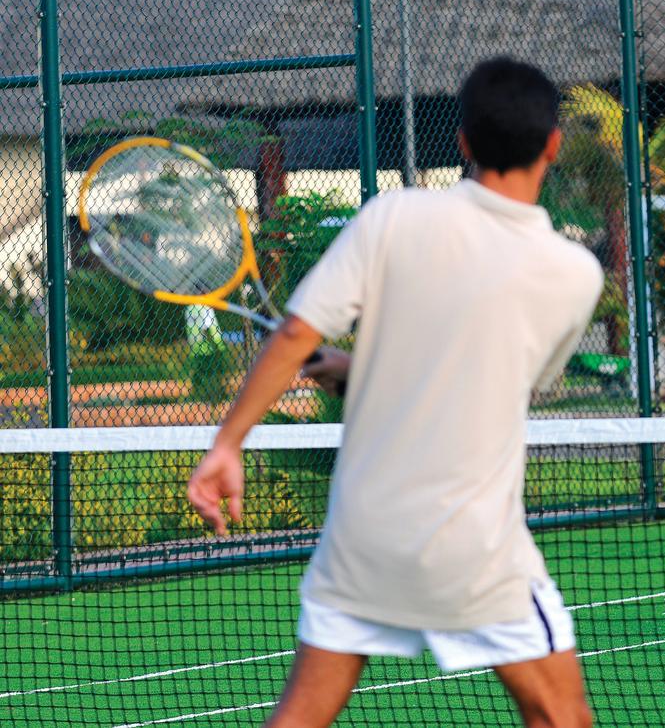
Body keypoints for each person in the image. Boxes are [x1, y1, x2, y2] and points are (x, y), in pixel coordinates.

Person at [187, 57, 603, 727]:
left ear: (462, 142)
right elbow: (489, 387)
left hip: (363, 541)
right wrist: (364, 367)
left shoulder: (392, 217)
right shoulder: (574, 274)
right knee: (561, 717)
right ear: (553, 145)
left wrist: (228, 444)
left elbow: (295, 334)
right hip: (474, 551)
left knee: (298, 719)